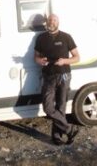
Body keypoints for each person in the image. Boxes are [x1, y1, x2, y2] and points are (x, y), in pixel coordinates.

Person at [34, 13, 80, 145]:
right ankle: (69, 129)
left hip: (64, 75)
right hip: (48, 76)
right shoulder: (41, 38)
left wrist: (65, 61)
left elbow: (77, 57)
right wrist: (40, 60)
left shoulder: (66, 37)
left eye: (54, 20)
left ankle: (57, 136)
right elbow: (35, 57)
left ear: (58, 22)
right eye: (50, 20)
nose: (52, 22)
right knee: (48, 108)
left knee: (61, 107)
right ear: (47, 23)